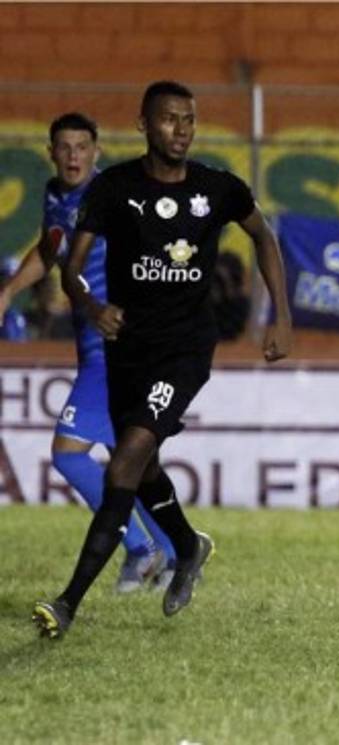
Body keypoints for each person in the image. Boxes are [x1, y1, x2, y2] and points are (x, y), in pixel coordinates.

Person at [33, 81, 294, 639]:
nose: (182, 129)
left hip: (185, 350)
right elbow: (70, 266)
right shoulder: (115, 189)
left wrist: (282, 314)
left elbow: (263, 236)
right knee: (144, 467)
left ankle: (67, 602)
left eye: (189, 120)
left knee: (125, 459)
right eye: (171, 119)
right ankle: (187, 544)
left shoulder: (217, 188)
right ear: (145, 124)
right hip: (127, 347)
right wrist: (89, 302)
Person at [0, 112, 177, 593]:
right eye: (65, 147)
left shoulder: (114, 198)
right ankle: (174, 549)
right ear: (51, 152)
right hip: (93, 348)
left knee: (68, 452)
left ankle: (143, 549)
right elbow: (48, 248)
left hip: (116, 348)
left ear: (97, 151)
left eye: (83, 147)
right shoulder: (57, 196)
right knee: (126, 459)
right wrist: (8, 292)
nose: (74, 155)